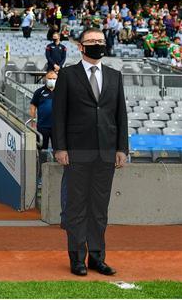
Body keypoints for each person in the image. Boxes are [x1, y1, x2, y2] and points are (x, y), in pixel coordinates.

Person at [52, 28, 128, 277]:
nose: (97, 44)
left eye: (101, 41)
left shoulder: (115, 76)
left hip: (106, 153)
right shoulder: (67, 75)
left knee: (99, 209)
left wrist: (121, 148)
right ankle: (77, 259)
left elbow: (121, 116)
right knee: (76, 208)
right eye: (92, 41)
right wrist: (60, 147)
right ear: (80, 47)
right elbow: (59, 115)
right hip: (76, 152)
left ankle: (97, 257)